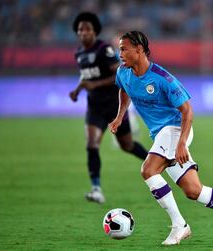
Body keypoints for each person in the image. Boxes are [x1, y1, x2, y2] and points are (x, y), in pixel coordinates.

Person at [109, 31, 213, 245]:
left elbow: (187, 112)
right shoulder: (123, 73)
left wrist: (182, 143)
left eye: (124, 49)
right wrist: (120, 117)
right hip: (161, 135)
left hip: (176, 129)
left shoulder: (163, 78)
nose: (119, 53)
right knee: (194, 191)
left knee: (148, 170)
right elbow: (124, 90)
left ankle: (180, 226)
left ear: (139, 50)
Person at [69, 13, 148, 204]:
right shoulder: (79, 53)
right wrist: (78, 89)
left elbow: (117, 77)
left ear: (94, 31)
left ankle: (159, 162)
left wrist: (94, 86)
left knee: (127, 146)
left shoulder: (104, 50)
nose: (83, 32)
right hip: (94, 107)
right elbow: (85, 76)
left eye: (87, 29)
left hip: (114, 106)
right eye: (80, 29)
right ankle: (96, 189)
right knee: (92, 144)